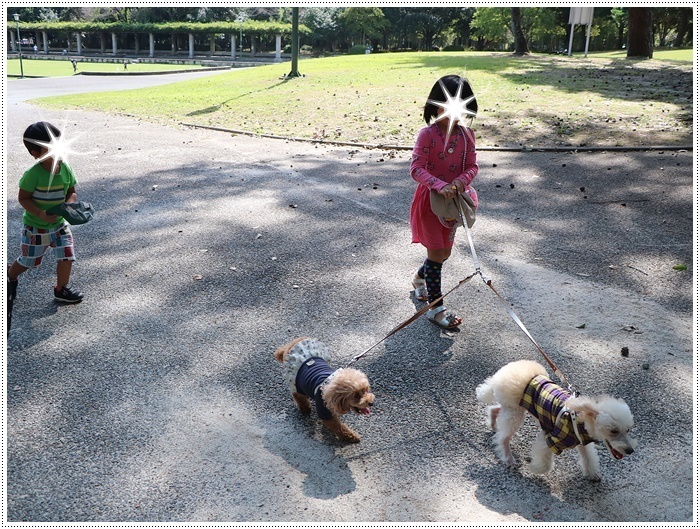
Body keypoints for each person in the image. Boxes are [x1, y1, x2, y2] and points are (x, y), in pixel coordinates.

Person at [409, 75, 479, 329]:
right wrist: (440, 185)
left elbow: (472, 166)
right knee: (436, 253)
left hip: (453, 204)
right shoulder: (427, 135)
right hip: (431, 203)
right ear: (435, 104)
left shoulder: (467, 135)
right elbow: (416, 169)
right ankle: (436, 308)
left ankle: (419, 280)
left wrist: (460, 182)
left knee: (444, 253)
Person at [7, 122, 84, 304]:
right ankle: (9, 276)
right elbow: (24, 198)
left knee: (67, 255)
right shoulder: (33, 175)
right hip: (36, 227)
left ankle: (61, 289)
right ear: (35, 154)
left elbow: (71, 191)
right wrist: (40, 214)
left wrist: (69, 205)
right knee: (29, 260)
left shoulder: (65, 168)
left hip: (59, 225)